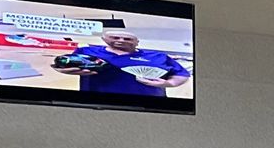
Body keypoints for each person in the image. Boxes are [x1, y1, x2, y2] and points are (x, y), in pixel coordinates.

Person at [61, 27, 189, 97]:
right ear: (104, 39)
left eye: (127, 38)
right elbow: (64, 65)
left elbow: (181, 74)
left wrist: (169, 83)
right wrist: (64, 70)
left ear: (137, 42)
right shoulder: (86, 51)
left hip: (150, 106)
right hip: (97, 105)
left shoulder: (158, 56)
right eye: (115, 38)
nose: (121, 40)